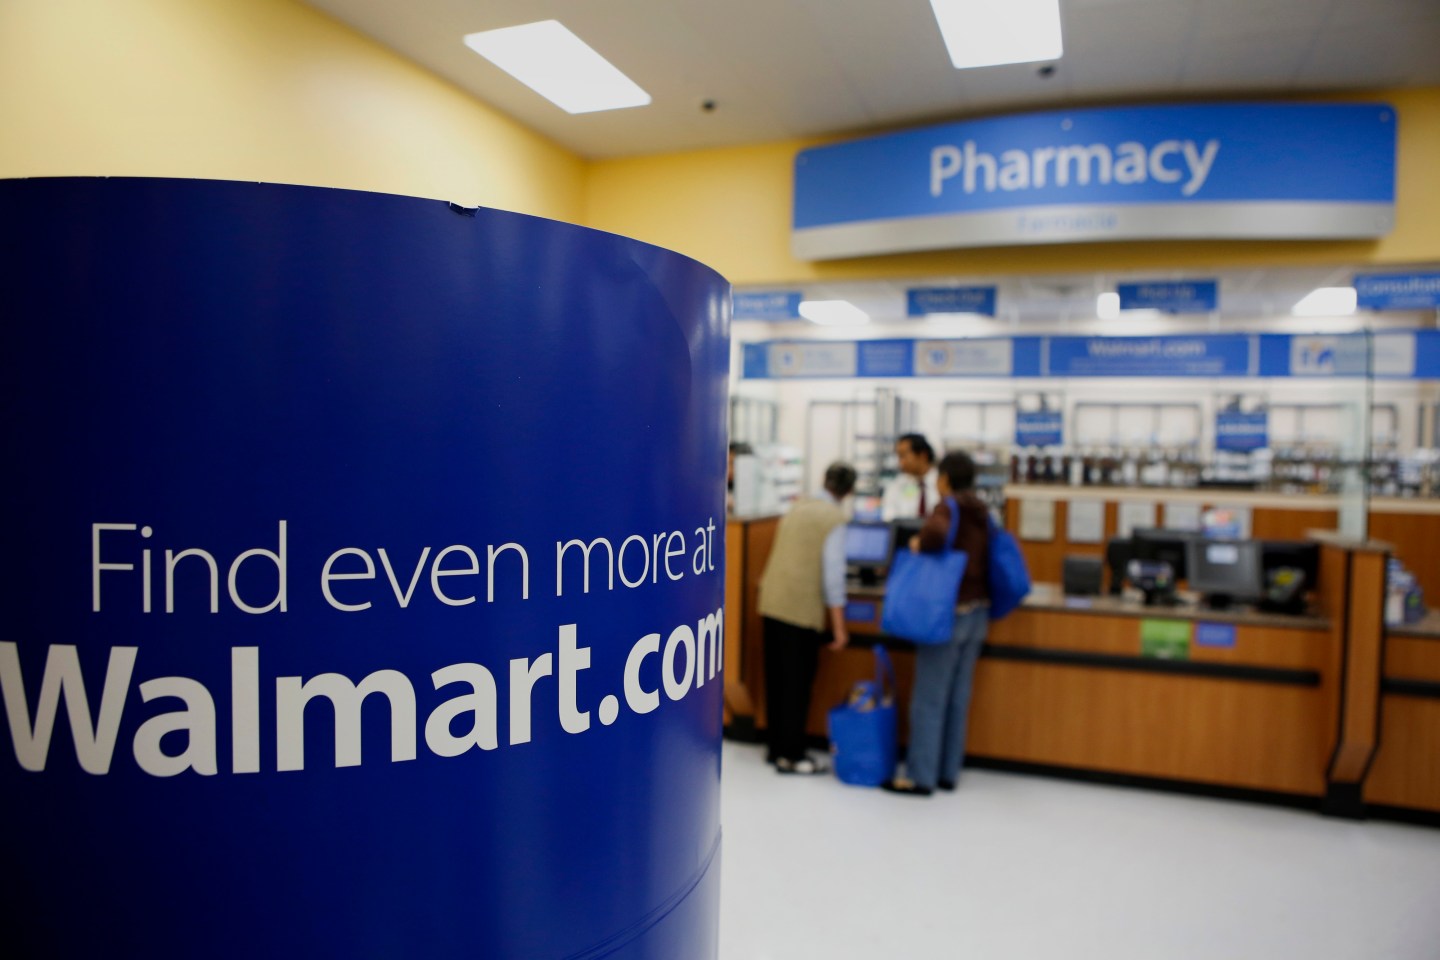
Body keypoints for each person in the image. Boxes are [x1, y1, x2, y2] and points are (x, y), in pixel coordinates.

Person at [883, 450, 990, 796]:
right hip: (978, 612)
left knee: (929, 698)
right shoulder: (983, 510)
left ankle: (920, 777)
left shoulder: (947, 507)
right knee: (958, 697)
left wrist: (916, 543)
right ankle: (947, 772)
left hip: (948, 612)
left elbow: (935, 536)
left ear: (943, 478)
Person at [756, 461, 857, 774]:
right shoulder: (834, 518)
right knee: (797, 685)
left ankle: (776, 750)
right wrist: (839, 628)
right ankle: (793, 755)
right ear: (849, 491)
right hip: (800, 609)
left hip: (772, 602)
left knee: (777, 681)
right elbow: (833, 578)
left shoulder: (798, 507)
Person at [880, 433, 940, 521]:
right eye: (898, 457)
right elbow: (889, 517)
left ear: (923, 455)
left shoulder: (942, 483)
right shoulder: (896, 485)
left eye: (903, 456)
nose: (900, 462)